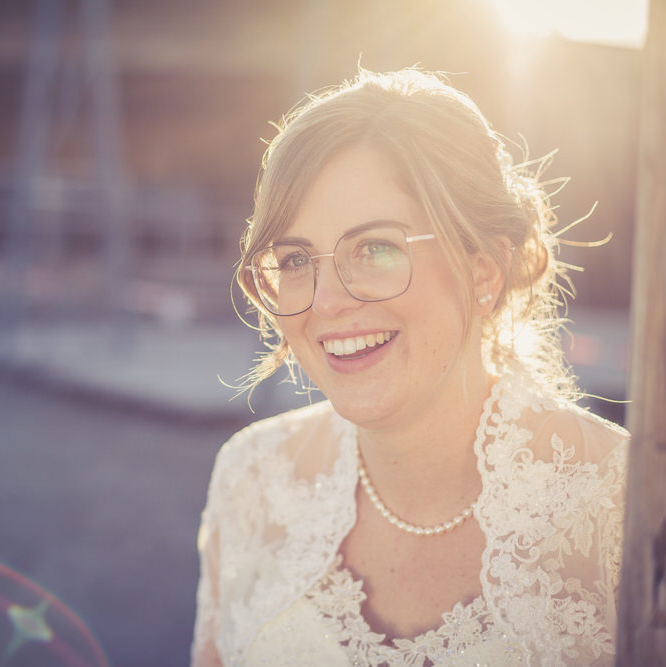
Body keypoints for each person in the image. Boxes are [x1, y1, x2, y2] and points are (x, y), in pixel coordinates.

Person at [191, 69, 628, 666]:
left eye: (374, 249)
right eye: (294, 259)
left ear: (483, 268)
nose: (324, 304)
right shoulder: (250, 478)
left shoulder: (625, 505)